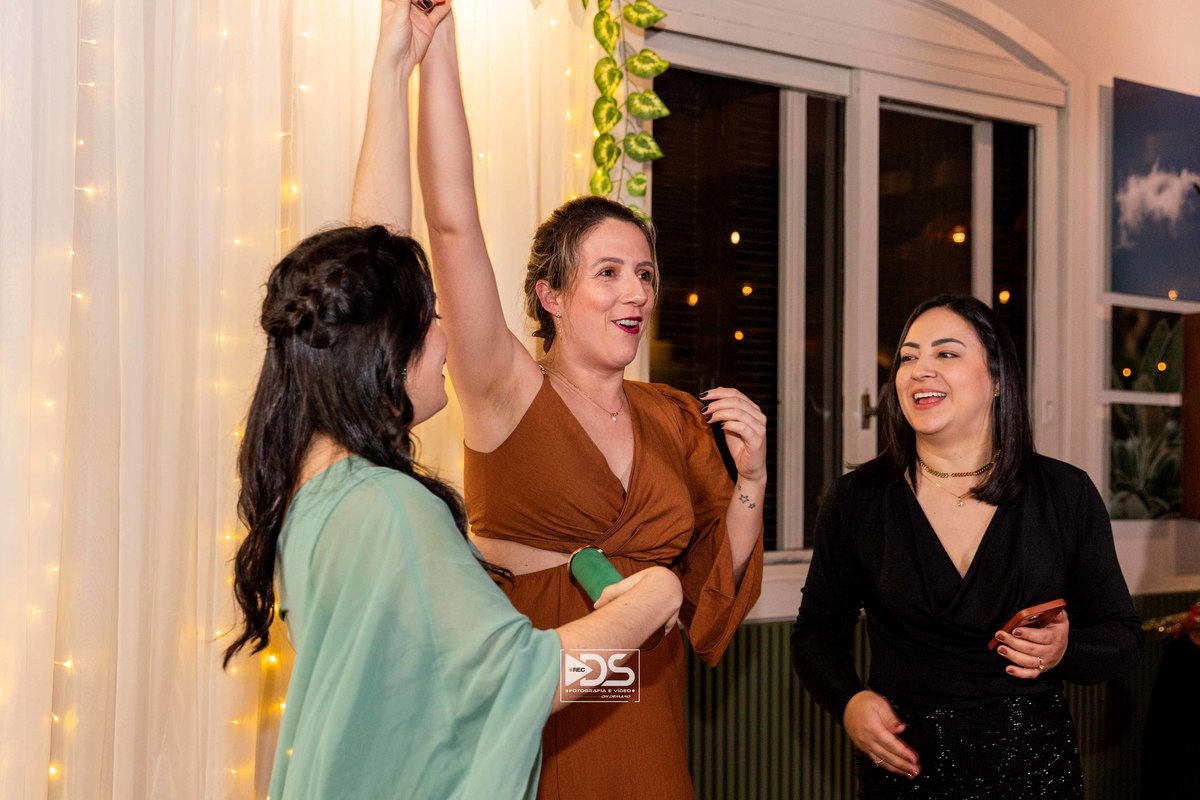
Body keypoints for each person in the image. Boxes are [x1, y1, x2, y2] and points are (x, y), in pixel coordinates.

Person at [221, 5, 683, 798]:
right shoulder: (391, 510)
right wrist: (658, 595)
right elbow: (524, 676)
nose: (446, 336)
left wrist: (397, 63)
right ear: (384, 345)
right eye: (429, 319)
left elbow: (369, 263)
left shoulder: (314, 486)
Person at [351, 3, 767, 797]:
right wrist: (438, 46)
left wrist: (751, 480)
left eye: (644, 274)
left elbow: (714, 588)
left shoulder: (673, 415)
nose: (635, 292)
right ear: (550, 294)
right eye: (608, 273)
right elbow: (452, 224)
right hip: (538, 709)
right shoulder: (506, 391)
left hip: (650, 712)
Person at [791, 294, 1143, 798]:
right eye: (908, 357)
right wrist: (849, 701)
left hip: (1034, 779)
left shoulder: (1065, 494)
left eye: (946, 353)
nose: (920, 370)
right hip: (904, 778)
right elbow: (816, 634)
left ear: (997, 379)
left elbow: (1123, 639)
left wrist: (1065, 650)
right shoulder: (857, 500)